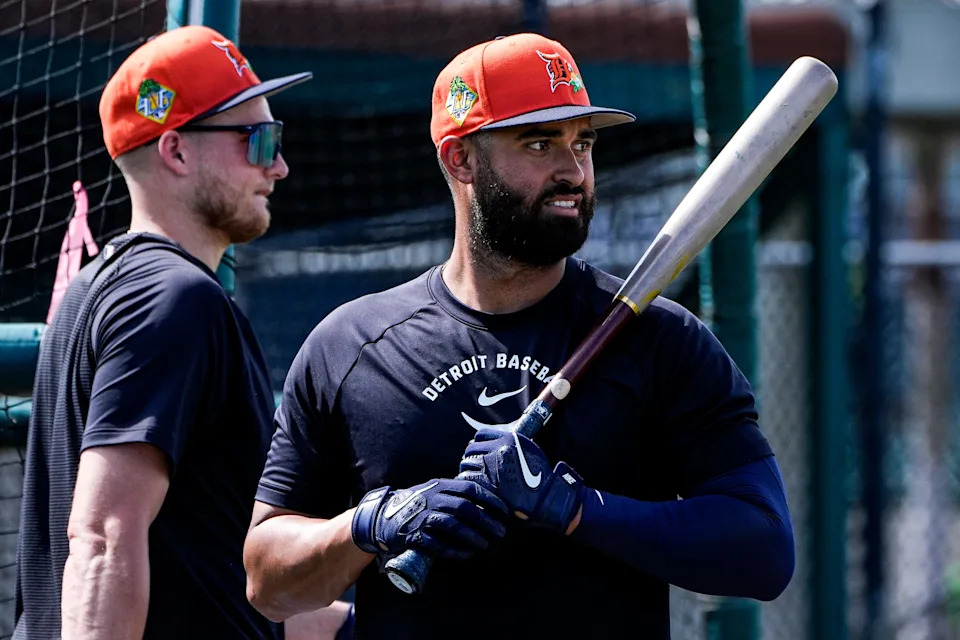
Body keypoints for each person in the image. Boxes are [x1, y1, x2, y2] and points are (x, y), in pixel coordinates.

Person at [243, 33, 794, 639]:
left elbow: (765, 549)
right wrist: (375, 522)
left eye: (582, 142)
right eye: (539, 143)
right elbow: (267, 583)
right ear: (460, 160)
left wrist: (575, 509)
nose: (572, 170)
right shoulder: (352, 348)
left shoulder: (658, 338)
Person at [14, 25, 318, 639]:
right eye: (257, 141)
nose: (279, 165)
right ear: (176, 151)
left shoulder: (98, 289)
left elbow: (200, 569)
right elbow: (103, 535)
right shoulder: (173, 300)